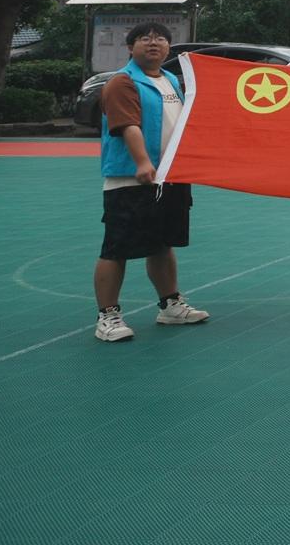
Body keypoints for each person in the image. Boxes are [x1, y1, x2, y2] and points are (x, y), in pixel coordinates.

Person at [94, 21, 207, 343]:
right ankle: (107, 316)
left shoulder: (171, 80)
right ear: (131, 48)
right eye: (145, 38)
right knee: (116, 248)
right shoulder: (122, 82)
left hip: (170, 177)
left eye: (160, 39)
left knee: (162, 243)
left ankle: (170, 305)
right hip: (132, 178)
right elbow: (127, 125)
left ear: (169, 47)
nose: (153, 43)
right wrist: (143, 162)